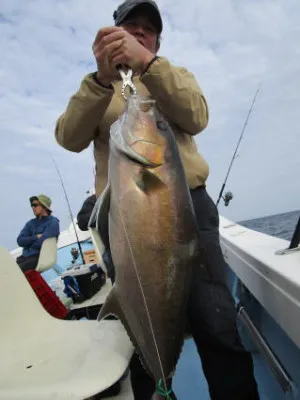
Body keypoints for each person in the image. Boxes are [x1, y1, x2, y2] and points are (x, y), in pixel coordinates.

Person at [54, 0, 260, 399]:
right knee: (136, 322)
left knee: (216, 323)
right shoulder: (97, 88)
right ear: (112, 33)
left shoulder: (171, 75)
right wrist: (100, 78)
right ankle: (159, 384)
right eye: (130, 25)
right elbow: (69, 137)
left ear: (156, 42)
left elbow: (197, 115)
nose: (139, 31)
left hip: (189, 210)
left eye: (148, 28)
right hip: (126, 220)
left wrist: (148, 65)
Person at [16, 194, 60, 273]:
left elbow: (42, 242)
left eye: (35, 205)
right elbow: (20, 241)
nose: (33, 207)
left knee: (14, 272)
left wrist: (28, 243)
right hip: (25, 258)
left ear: (44, 206)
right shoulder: (30, 223)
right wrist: (35, 237)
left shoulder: (53, 222)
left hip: (39, 257)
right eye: (32, 205)